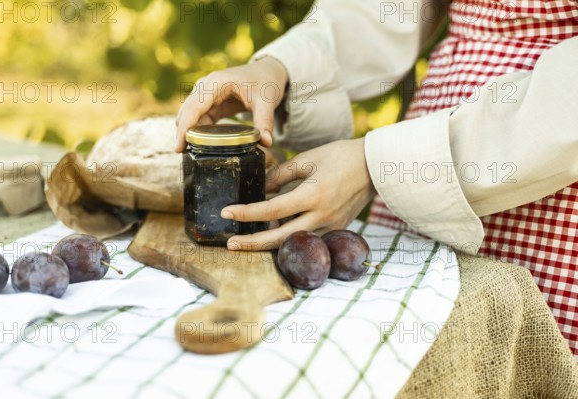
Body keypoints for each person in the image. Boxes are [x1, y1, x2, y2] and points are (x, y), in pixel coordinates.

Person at [175, 1, 578, 356]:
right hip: (419, 166)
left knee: (525, 360)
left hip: (548, 184)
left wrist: (378, 163)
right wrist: (280, 65)